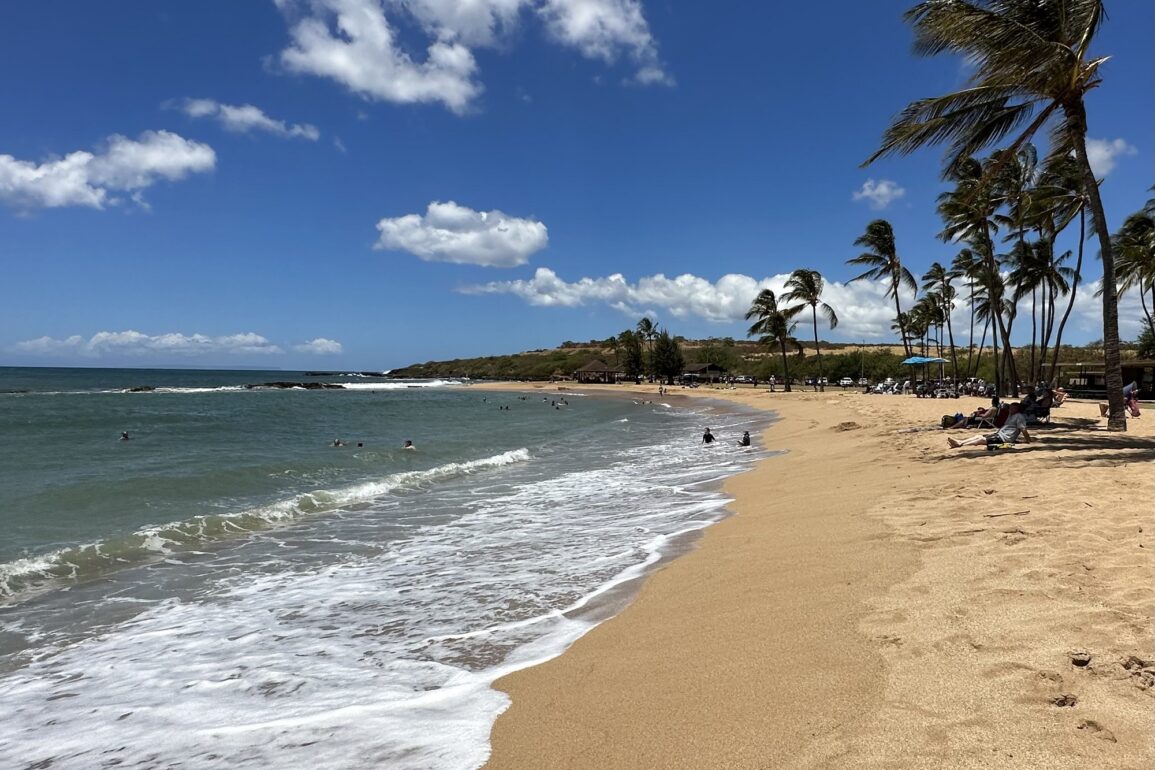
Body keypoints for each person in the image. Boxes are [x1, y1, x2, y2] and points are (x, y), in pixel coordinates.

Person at [946, 403, 1032, 450]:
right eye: (1010, 408)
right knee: (978, 436)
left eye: (1012, 408)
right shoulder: (1011, 415)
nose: (1010, 410)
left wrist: (1028, 441)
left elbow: (1023, 430)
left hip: (1004, 438)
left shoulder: (1019, 417)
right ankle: (961, 441)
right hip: (1000, 434)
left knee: (981, 440)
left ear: (1017, 410)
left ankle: (960, 444)